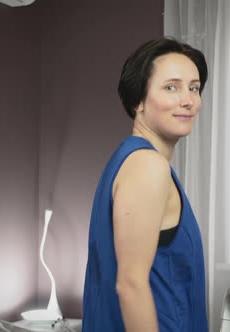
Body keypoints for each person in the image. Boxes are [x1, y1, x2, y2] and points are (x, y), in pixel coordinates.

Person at [81, 37, 209, 332]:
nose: (188, 100)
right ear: (138, 99)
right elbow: (130, 285)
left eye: (194, 87)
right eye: (171, 87)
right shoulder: (148, 166)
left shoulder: (129, 160)